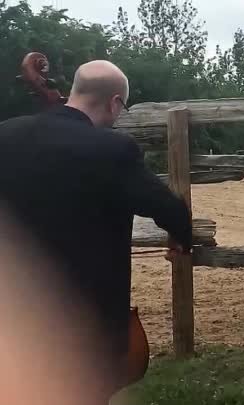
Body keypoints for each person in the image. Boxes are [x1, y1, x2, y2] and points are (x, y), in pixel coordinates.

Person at [0, 60, 193, 403]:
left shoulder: (5, 134)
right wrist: (181, 236)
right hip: (83, 332)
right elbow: (169, 209)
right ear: (115, 102)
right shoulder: (112, 150)